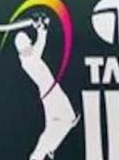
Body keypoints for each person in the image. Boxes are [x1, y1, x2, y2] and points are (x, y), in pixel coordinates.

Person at [13, 16, 81, 160]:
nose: (28, 49)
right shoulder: (27, 61)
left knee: (65, 121)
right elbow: (39, 47)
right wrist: (41, 28)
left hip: (49, 92)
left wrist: (42, 29)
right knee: (68, 119)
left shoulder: (31, 55)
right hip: (50, 93)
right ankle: (39, 155)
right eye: (25, 49)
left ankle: (50, 148)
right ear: (21, 51)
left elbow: (39, 46)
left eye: (28, 47)